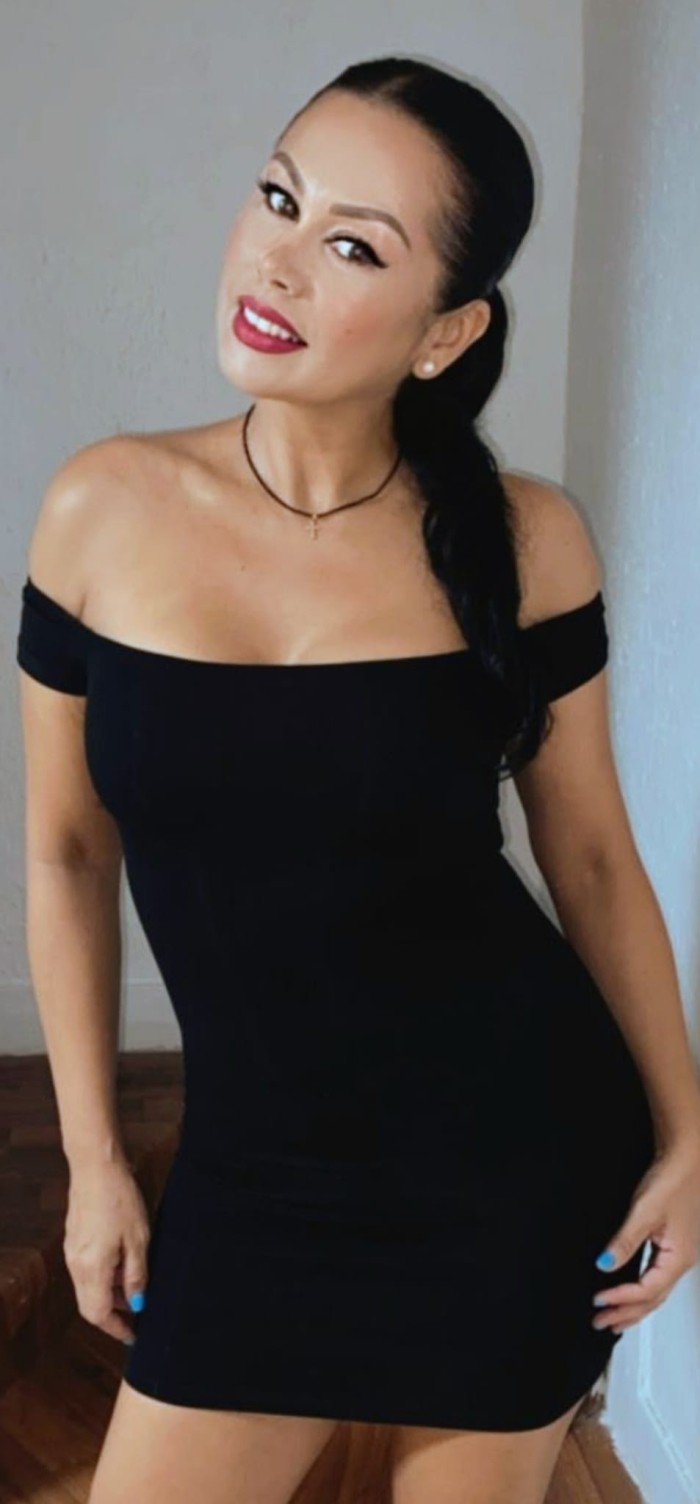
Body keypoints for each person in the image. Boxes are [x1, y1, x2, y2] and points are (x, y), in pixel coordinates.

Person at [16, 54, 700, 1504]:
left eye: (354, 247)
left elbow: (590, 858)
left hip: (512, 1168)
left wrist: (692, 1135)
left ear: (448, 331)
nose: (277, 259)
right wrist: (96, 1159)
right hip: (254, 1175)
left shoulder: (528, 541)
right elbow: (68, 851)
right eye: (280, 199)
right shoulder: (101, 510)